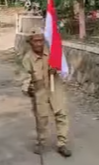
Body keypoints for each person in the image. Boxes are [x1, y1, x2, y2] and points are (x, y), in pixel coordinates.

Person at [21, 29, 72, 157]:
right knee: (41, 118)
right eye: (35, 41)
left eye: (41, 40)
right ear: (30, 42)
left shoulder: (52, 53)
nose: (39, 44)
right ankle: (41, 141)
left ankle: (62, 144)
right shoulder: (27, 59)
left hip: (55, 86)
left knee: (61, 113)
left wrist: (56, 67)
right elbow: (24, 77)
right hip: (39, 89)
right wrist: (28, 87)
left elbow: (63, 67)